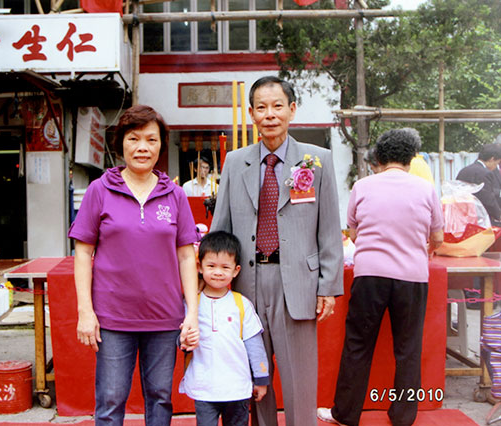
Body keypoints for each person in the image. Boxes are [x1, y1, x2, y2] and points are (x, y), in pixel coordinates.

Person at [211, 75, 344, 426]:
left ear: (292, 109)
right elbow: (221, 227)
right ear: (252, 114)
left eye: (277, 106)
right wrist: (214, 284)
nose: (270, 114)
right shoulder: (235, 162)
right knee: (255, 378)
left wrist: (328, 286)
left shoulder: (317, 161)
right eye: (261, 108)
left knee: (300, 378)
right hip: (246, 284)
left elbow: (329, 227)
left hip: (297, 282)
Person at [68, 104, 201, 425]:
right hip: (113, 319)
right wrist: (85, 311)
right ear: (121, 143)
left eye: (151, 140)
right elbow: (83, 253)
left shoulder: (175, 195)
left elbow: (186, 255)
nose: (143, 147)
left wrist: (192, 313)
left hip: (165, 317)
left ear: (160, 145)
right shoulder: (100, 190)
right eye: (134, 139)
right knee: (111, 400)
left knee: (160, 398)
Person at [317, 128, 444, 426]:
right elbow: (437, 236)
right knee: (408, 348)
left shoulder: (363, 186)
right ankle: (403, 415)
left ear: (379, 157)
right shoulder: (425, 189)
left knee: (358, 345)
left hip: (370, 275)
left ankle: (345, 414)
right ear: (410, 158)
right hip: (412, 277)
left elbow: (353, 232)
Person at [179, 231, 270, 426]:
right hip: (204, 387)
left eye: (225, 267)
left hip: (237, 387)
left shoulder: (241, 304)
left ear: (236, 270)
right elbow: (180, 337)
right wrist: (183, 341)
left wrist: (261, 379)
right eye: (211, 266)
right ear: (199, 267)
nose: (218, 272)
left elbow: (254, 344)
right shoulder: (191, 304)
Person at [456, 143, 501, 225]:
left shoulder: (464, 171)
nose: (495, 166)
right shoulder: (486, 173)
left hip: (462, 216)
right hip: (481, 219)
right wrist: (498, 215)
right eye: (497, 163)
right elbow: (488, 200)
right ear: (492, 159)